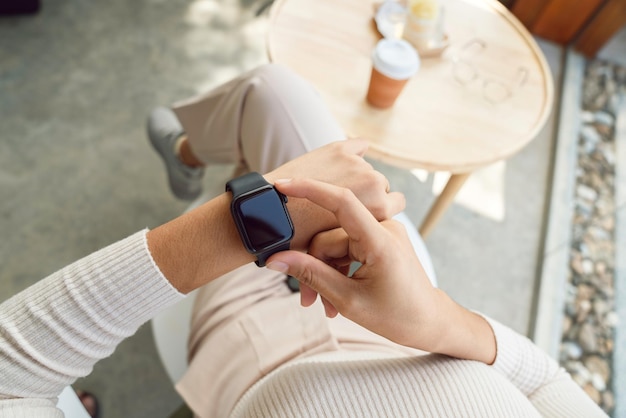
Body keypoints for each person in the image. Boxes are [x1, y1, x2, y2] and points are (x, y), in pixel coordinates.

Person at [0, 64, 606, 418]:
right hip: (410, 319)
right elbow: (546, 382)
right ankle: (187, 154)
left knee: (298, 160)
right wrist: (437, 321)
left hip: (256, 346)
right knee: (272, 92)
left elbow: (10, 379)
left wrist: (241, 224)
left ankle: (206, 168)